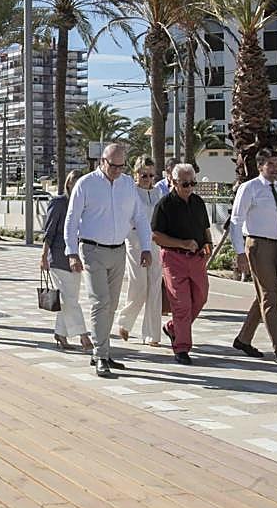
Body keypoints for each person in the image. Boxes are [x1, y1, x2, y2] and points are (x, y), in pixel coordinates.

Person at [65, 143, 151, 378]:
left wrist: (146, 247)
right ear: (102, 161)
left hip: (118, 250)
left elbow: (140, 218)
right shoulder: (86, 184)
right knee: (100, 301)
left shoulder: (127, 186)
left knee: (111, 304)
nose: (116, 170)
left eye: (121, 166)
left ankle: (102, 350)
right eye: (112, 165)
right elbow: (72, 220)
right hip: (92, 250)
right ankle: (101, 354)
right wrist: (71, 252)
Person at [230, 148, 277, 366]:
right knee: (270, 297)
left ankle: (243, 339)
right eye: (270, 164)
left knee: (263, 295)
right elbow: (236, 221)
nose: (275, 168)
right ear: (260, 166)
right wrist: (240, 252)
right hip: (259, 246)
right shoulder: (249, 188)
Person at [152, 163, 213, 364]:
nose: (189, 187)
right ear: (174, 182)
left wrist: (208, 244)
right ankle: (181, 347)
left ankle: (173, 328)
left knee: (201, 298)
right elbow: (156, 236)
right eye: (185, 184)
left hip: (197, 259)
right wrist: (182, 244)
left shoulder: (197, 202)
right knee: (181, 304)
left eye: (192, 183)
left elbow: (205, 228)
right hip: (173, 258)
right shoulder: (164, 205)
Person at [40, 170, 93, 352]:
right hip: (58, 258)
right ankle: (84, 336)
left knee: (69, 299)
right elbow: (49, 231)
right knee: (69, 299)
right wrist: (43, 256)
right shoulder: (59, 202)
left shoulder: (86, 205)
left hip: (77, 259)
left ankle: (60, 333)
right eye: (74, 182)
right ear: (68, 184)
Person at [118, 157, 166, 346]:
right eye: (143, 174)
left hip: (155, 241)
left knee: (155, 287)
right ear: (136, 174)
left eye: (151, 175)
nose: (147, 178)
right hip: (136, 241)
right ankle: (125, 321)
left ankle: (152, 334)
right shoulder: (130, 192)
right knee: (139, 285)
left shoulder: (158, 193)